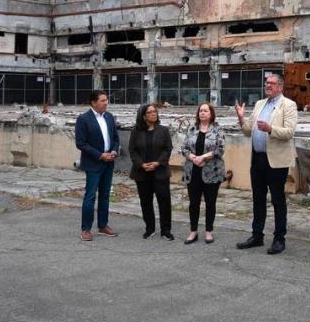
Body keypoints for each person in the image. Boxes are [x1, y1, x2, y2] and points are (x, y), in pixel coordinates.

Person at [234, 73, 298, 255]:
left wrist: (270, 129)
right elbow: (248, 132)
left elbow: (289, 132)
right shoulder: (260, 104)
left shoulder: (289, 105)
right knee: (258, 199)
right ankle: (257, 235)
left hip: (276, 161)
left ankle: (279, 239)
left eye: (271, 83)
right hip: (258, 159)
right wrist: (241, 118)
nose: (267, 86)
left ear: (280, 86)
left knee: (278, 200)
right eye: (266, 83)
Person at [74, 90, 120, 241]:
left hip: (109, 162)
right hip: (94, 163)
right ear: (93, 102)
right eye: (103, 100)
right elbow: (81, 143)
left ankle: (103, 225)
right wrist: (100, 155)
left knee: (105, 195)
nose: (106, 103)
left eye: (107, 100)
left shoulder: (109, 117)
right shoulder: (83, 119)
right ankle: (86, 229)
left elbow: (115, 138)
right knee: (90, 196)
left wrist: (113, 150)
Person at [179, 102, 226, 245]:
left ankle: (208, 231)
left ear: (211, 113)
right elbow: (184, 147)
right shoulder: (192, 129)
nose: (202, 113)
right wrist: (193, 158)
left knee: (210, 202)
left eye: (205, 111)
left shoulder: (217, 129)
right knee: (194, 203)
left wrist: (204, 157)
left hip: (212, 172)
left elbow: (221, 148)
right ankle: (193, 231)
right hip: (193, 171)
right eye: (200, 111)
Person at [128, 103, 174, 240]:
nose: (154, 114)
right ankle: (150, 228)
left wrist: (158, 163)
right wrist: (141, 164)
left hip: (160, 172)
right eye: (150, 112)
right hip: (142, 173)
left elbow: (168, 149)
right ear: (143, 116)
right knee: (145, 201)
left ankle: (165, 230)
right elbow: (132, 150)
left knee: (164, 201)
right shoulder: (136, 131)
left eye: (155, 111)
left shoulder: (163, 130)